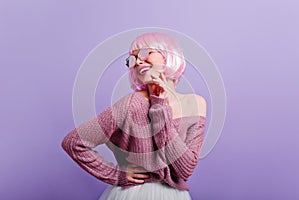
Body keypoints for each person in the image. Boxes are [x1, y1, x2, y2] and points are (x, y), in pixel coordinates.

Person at [61, 32, 207, 200]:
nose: (137, 61)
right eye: (132, 59)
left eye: (146, 53)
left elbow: (184, 170)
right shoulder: (131, 104)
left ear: (167, 54)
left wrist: (159, 108)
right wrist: (115, 175)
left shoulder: (195, 103)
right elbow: (72, 142)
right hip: (135, 194)